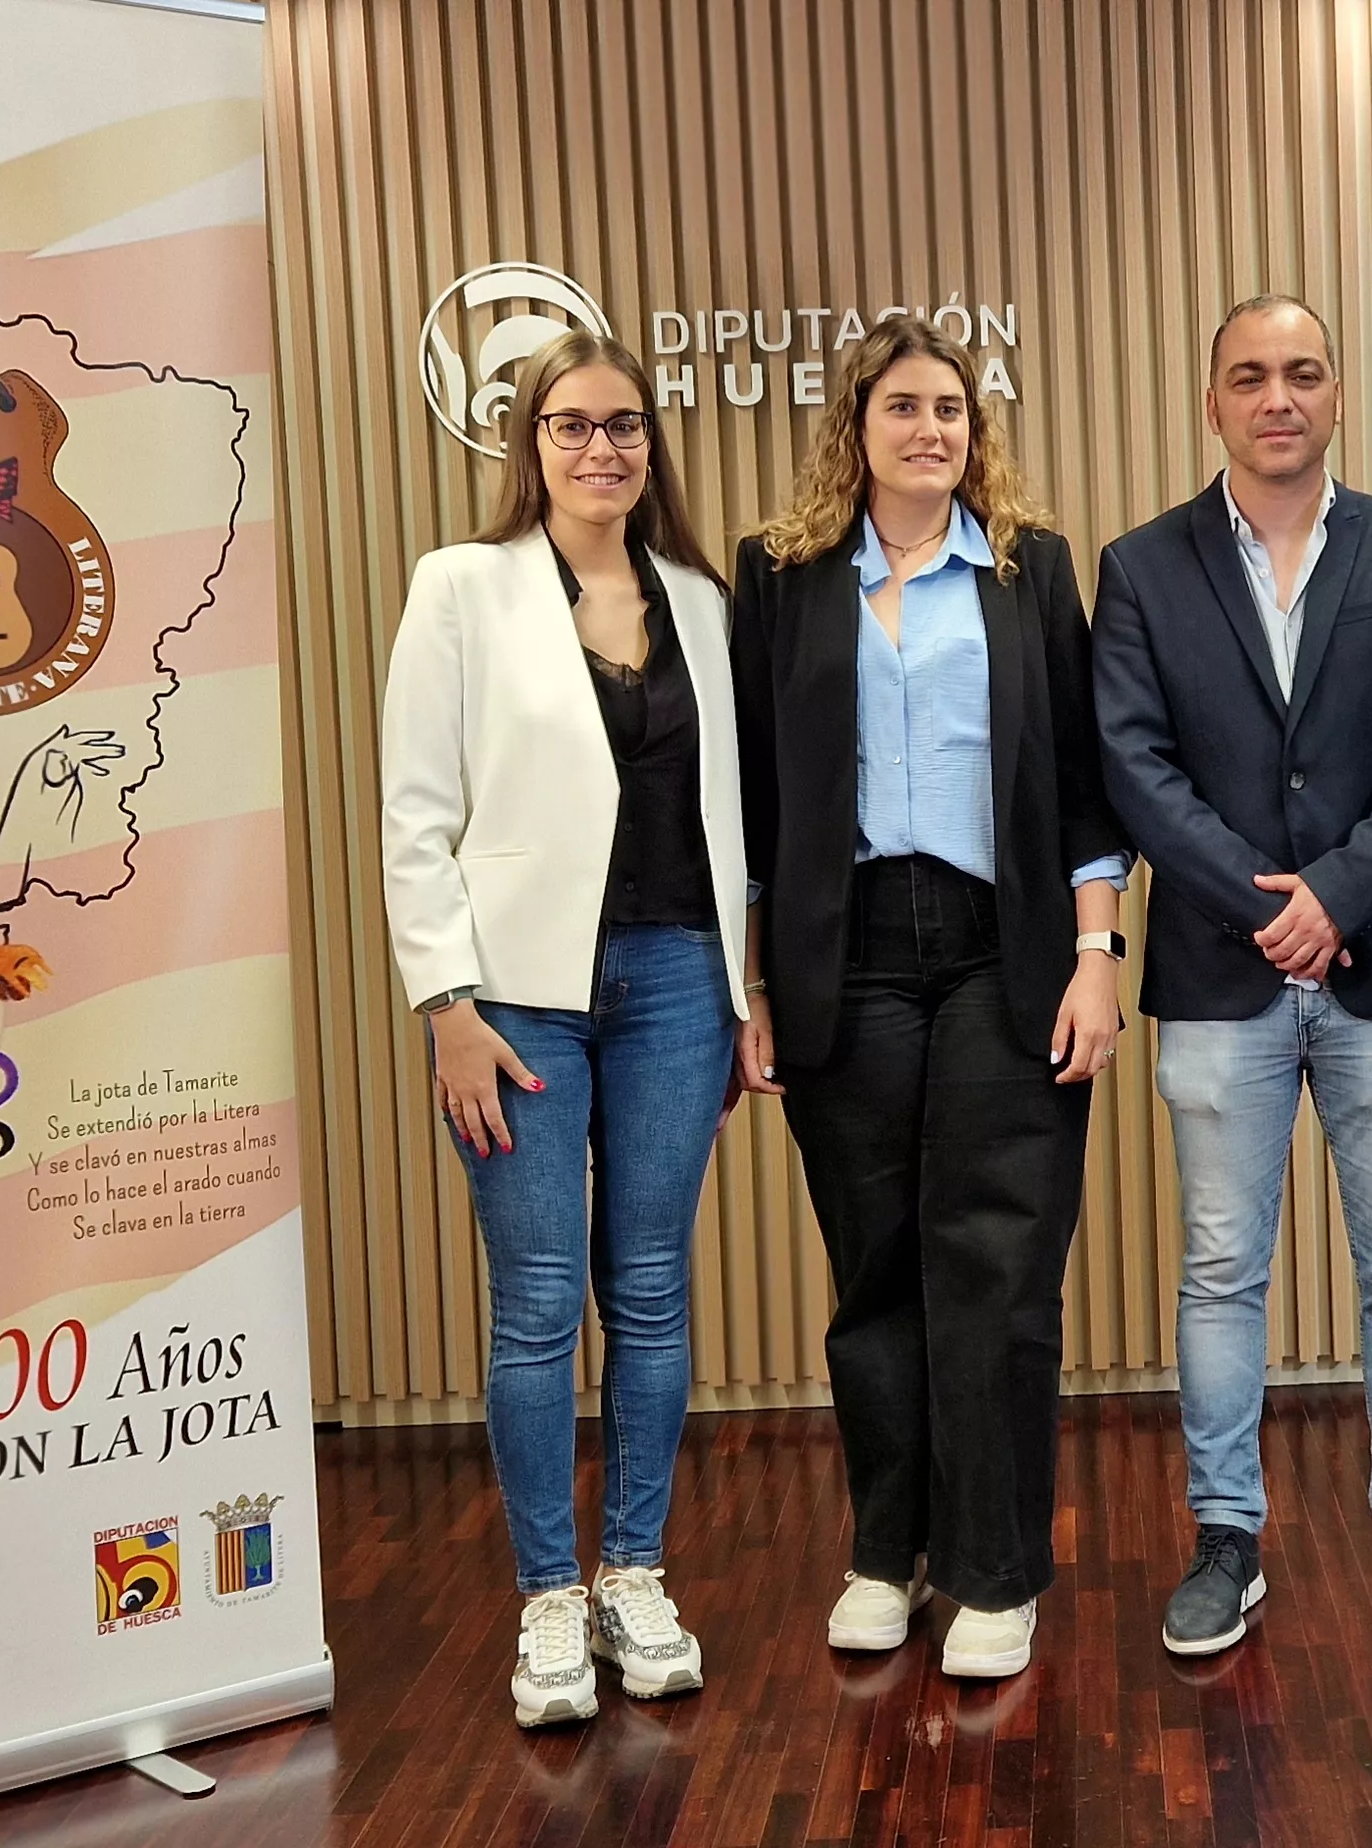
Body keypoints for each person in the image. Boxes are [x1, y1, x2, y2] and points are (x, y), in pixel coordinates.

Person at [1088, 295, 1372, 1654]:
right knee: (1220, 1270)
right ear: (1212, 401)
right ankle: (1225, 1538)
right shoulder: (1141, 567)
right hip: (1220, 972)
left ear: (1337, 396)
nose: (1279, 396)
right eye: (1250, 376)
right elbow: (1134, 768)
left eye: (1303, 373)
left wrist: (1342, 890)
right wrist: (1266, 905)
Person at [731, 316, 1129, 1680]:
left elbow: (1083, 781)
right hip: (842, 959)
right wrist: (758, 984)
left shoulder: (1029, 571)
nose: (932, 429)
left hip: (999, 950)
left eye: (952, 407)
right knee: (876, 1272)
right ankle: (883, 1556)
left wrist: (1098, 955)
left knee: (999, 1271)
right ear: (857, 426)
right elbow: (758, 802)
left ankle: (996, 1573)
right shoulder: (779, 579)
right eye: (903, 406)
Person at [377, 331, 745, 1728]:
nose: (604, 449)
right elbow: (415, 812)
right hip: (519, 999)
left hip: (677, 983)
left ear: (654, 447)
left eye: (628, 426)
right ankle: (548, 1598)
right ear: (528, 444)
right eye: (574, 425)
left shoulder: (701, 601)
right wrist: (444, 1003)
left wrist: (738, 993)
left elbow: (735, 818)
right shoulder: (462, 589)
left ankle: (635, 1573)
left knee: (650, 1290)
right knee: (538, 1307)